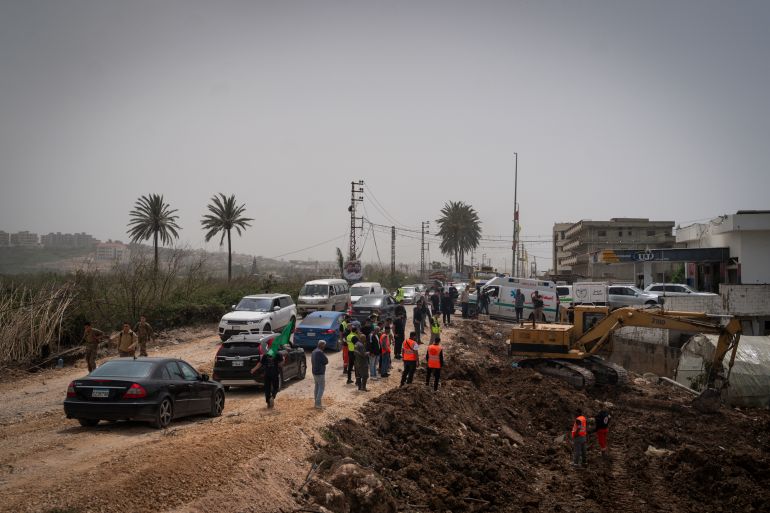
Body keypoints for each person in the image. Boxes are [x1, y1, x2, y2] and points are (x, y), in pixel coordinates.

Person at [250, 343, 286, 408]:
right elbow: (280, 364)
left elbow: (260, 364)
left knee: (267, 389)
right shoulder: (278, 354)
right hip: (274, 374)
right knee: (276, 387)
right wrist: (283, 359)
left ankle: (268, 403)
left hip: (267, 374)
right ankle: (272, 397)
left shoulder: (265, 355)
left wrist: (253, 369)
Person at [311, 341, 328, 409]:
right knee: (321, 387)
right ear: (322, 345)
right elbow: (326, 361)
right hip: (320, 372)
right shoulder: (320, 352)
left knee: (317, 387)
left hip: (314, 371)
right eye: (324, 345)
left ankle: (317, 403)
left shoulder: (314, 351)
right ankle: (318, 404)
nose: (325, 346)